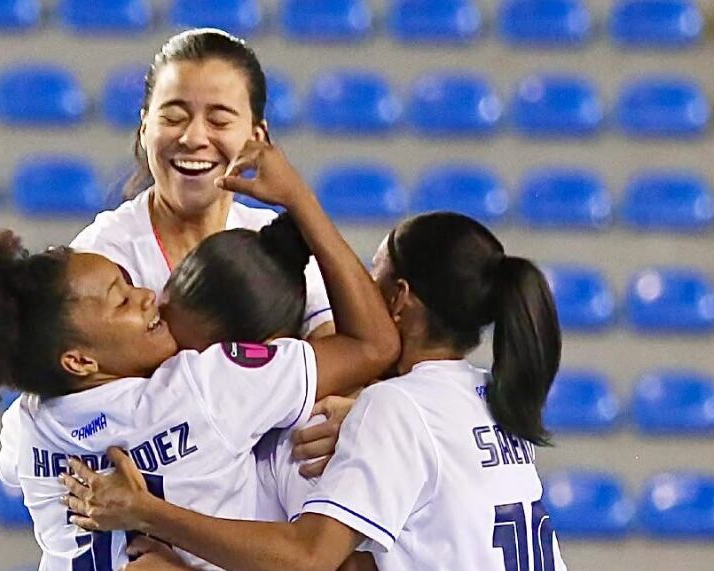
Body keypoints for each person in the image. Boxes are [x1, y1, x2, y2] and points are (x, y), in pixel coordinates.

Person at [0, 142, 399, 571]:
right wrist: (301, 205)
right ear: (78, 360)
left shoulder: (26, 428)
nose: (149, 295)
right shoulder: (205, 387)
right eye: (122, 299)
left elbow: (18, 466)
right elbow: (376, 344)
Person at [62, 142, 567, 571]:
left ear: (399, 299)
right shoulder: (485, 395)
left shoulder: (395, 408)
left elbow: (309, 559)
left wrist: (147, 512)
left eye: (373, 275)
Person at [71, 27, 334, 341]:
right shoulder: (101, 256)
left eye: (219, 121)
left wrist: (301, 203)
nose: (193, 138)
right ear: (144, 129)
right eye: (173, 117)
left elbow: (357, 355)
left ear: (256, 138)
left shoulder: (282, 247)